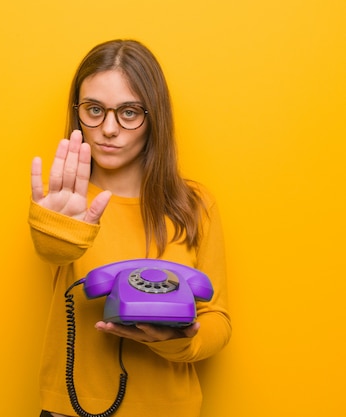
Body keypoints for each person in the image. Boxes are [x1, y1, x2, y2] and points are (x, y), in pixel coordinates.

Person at [29, 39, 232, 417]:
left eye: (128, 112)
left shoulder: (195, 204)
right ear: (77, 113)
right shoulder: (63, 199)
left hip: (170, 408)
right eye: (94, 110)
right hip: (73, 407)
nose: (108, 129)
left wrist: (175, 341)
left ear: (153, 115)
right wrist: (56, 227)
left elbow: (216, 317)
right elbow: (53, 253)